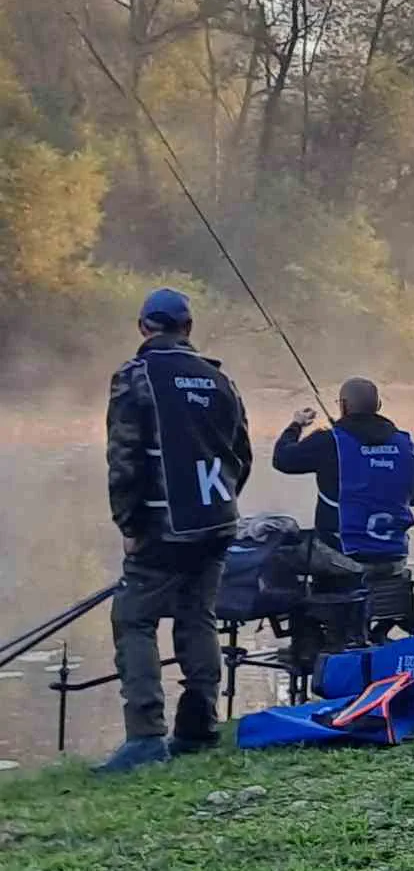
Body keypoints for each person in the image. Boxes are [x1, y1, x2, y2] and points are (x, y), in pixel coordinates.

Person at [101, 287, 252, 773]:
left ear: (144, 327)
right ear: (188, 327)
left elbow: (124, 460)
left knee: (133, 617)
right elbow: (241, 456)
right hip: (217, 520)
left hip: (162, 525)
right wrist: (221, 501)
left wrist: (129, 522)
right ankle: (199, 726)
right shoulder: (219, 379)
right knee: (197, 616)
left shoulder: (135, 377)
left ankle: (145, 736)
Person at [271, 377, 414, 568]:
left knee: (273, 555)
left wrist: (296, 425)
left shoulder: (330, 441)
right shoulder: (405, 443)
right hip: (394, 555)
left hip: (340, 552)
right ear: (378, 405)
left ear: (343, 406)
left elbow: (282, 459)